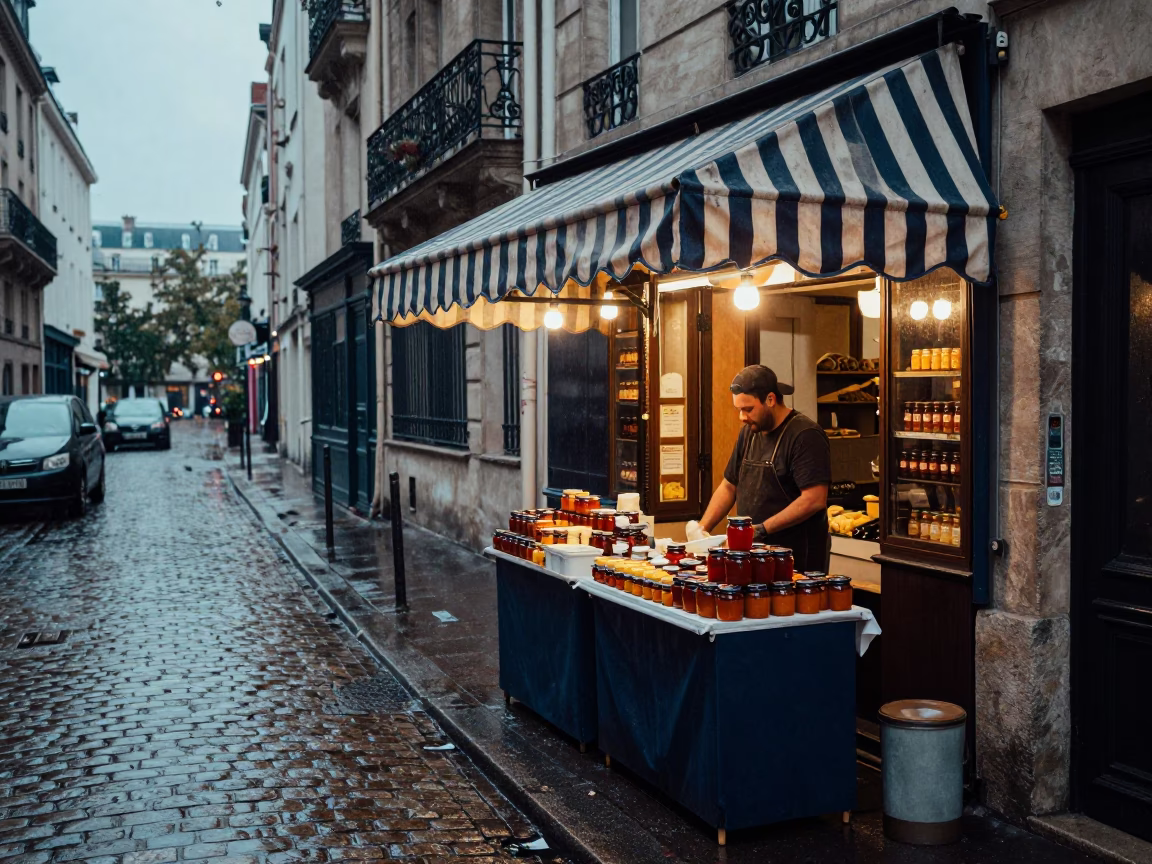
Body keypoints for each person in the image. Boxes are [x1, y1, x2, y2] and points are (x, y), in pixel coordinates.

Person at [687, 365, 831, 573]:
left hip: (795, 557)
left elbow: (814, 499)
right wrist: (701, 530)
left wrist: (760, 530)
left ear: (770, 400)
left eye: (748, 409)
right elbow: (729, 486)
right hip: (754, 552)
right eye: (739, 410)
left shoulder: (805, 436)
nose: (742, 417)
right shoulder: (749, 433)